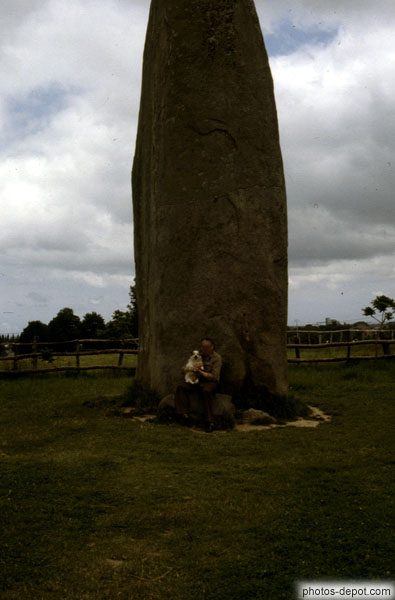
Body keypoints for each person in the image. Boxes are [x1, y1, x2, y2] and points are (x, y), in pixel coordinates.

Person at [174, 338, 222, 433]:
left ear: (212, 347)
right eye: (202, 346)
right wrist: (188, 369)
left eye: (206, 347)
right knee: (181, 387)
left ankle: (209, 422)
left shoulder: (217, 358)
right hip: (196, 379)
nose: (203, 349)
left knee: (206, 391)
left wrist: (201, 372)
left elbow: (215, 376)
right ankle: (184, 415)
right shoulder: (197, 354)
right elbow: (184, 368)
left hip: (210, 381)